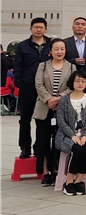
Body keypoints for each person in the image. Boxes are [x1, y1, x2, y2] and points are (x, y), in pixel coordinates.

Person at [33, 38, 76, 186]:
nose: (59, 52)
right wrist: (48, 100)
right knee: (43, 141)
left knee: (59, 141)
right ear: (50, 51)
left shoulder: (71, 67)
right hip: (44, 108)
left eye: (62, 49)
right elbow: (39, 84)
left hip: (62, 108)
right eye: (56, 49)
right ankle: (45, 172)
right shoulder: (43, 66)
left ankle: (57, 170)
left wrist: (58, 99)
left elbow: (72, 87)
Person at [55, 70, 86, 196]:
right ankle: (69, 182)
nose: (80, 84)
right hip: (66, 135)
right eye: (77, 81)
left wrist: (85, 135)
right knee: (77, 149)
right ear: (72, 83)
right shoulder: (64, 100)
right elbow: (61, 121)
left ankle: (78, 181)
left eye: (83, 81)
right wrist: (72, 136)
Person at [13, 17, 50, 159]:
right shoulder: (23, 46)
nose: (38, 29)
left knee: (42, 120)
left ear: (45, 29)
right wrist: (19, 84)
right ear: (31, 29)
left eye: (41, 27)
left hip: (45, 89)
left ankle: (39, 147)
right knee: (25, 119)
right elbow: (17, 66)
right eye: (36, 27)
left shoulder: (51, 44)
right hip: (27, 87)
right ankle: (25, 147)